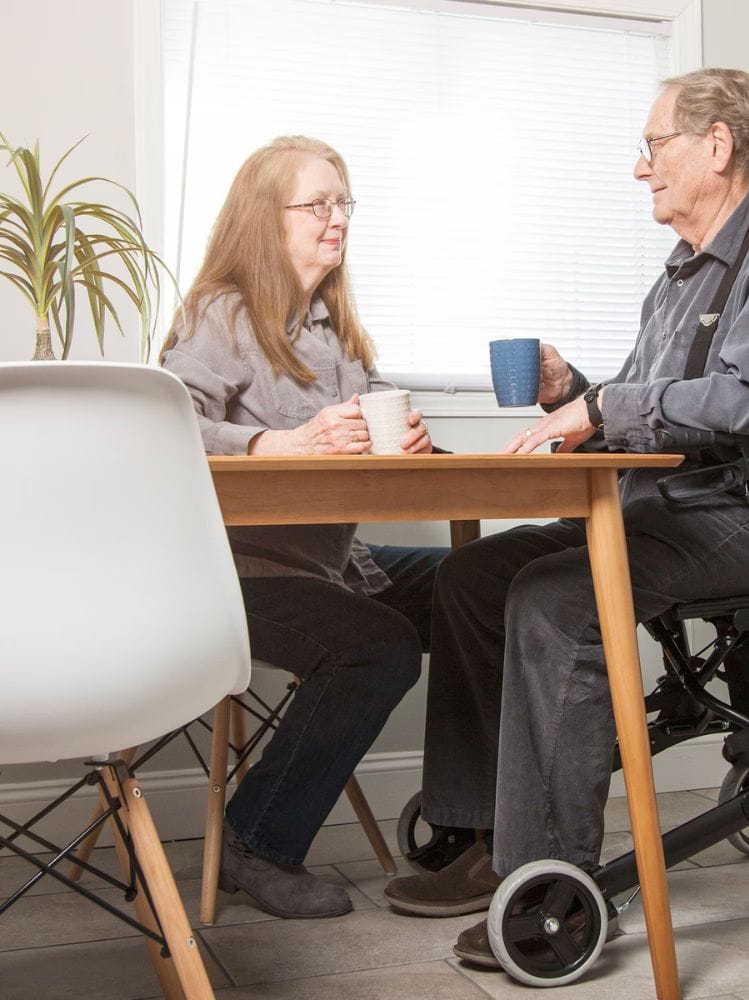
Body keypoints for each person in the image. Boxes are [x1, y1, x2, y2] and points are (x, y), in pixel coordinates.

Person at [383, 68, 749, 965]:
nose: (640, 168)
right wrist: (571, 390)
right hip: (673, 512)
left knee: (555, 596)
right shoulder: (678, 277)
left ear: (717, 146)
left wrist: (602, 406)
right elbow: (657, 407)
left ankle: (548, 880)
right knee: (470, 577)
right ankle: (477, 833)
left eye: (653, 146)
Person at [161, 135, 446, 920]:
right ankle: (257, 842)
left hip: (329, 565)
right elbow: (167, 419)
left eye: (343, 202)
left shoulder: (336, 331)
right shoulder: (222, 313)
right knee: (376, 645)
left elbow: (382, 415)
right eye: (317, 204)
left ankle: (467, 815)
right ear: (266, 217)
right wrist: (268, 443)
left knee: (479, 587)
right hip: (234, 573)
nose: (337, 218)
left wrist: (413, 438)